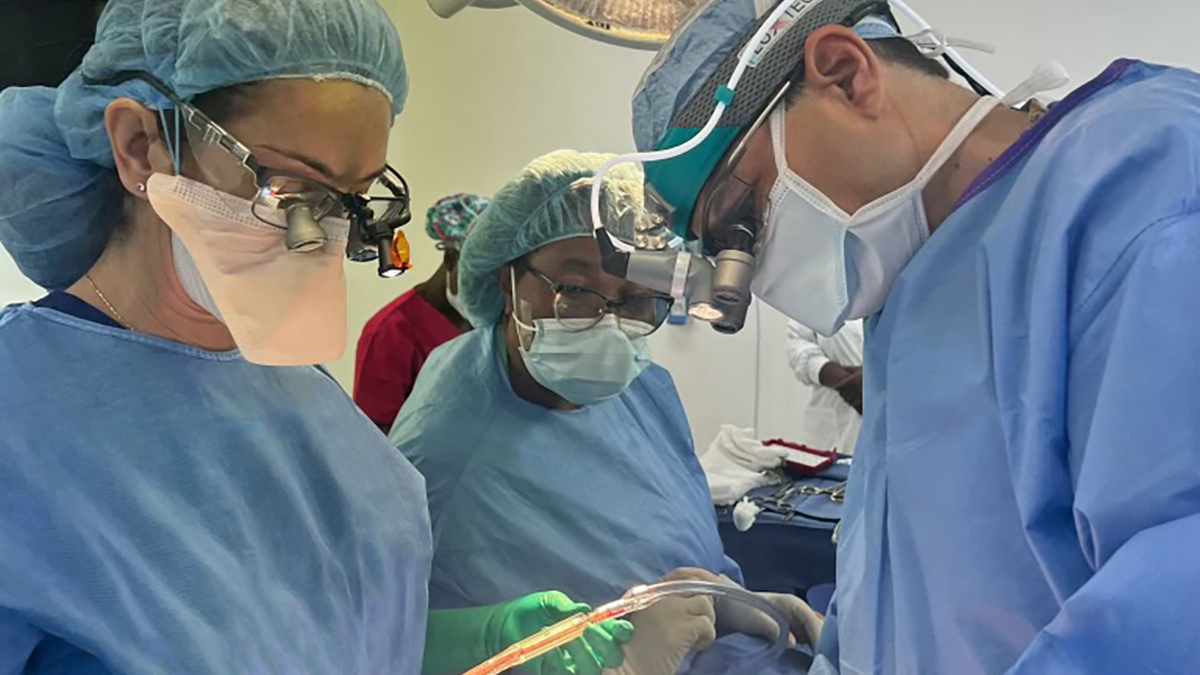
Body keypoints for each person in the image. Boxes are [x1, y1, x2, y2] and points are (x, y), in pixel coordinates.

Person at [0, 2, 630, 674]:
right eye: (290, 188)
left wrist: (476, 641)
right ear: (140, 146)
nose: (319, 234)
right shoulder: (22, 412)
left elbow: (328, 641)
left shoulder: (314, 409)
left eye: (352, 201)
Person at [629, 0, 1200, 673]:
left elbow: (1173, 599)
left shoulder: (1144, 182)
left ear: (844, 73)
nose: (753, 272)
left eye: (743, 219)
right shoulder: (911, 297)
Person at [390, 150, 823, 675]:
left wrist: (729, 598)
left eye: (636, 298)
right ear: (508, 283)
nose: (607, 322)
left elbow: (674, 539)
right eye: (576, 291)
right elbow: (399, 644)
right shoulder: (445, 453)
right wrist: (622, 664)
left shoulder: (642, 390)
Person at [355, 193, 489, 431]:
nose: (489, 292)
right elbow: (374, 434)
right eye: (479, 278)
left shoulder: (487, 321)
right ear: (451, 259)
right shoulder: (392, 331)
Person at [785, 319, 863, 454]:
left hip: (894, 408)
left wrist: (874, 379)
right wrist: (842, 380)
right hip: (831, 421)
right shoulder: (810, 299)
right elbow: (798, 344)